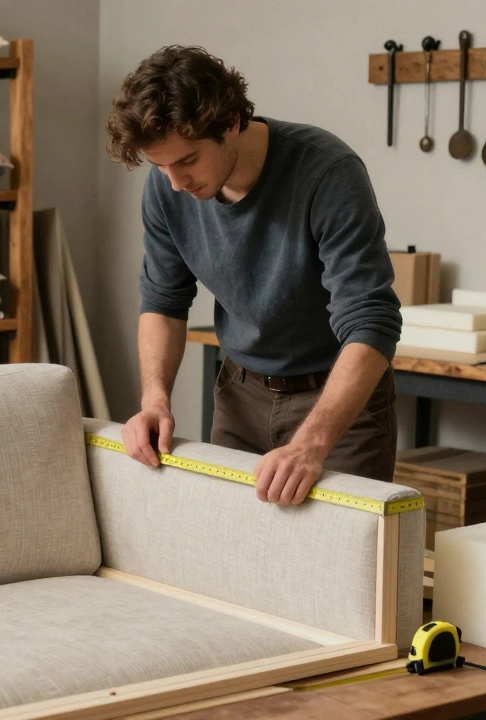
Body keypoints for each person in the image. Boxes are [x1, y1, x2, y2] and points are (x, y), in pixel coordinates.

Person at [105, 45, 402, 504]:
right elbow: (163, 301)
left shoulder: (328, 173)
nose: (176, 183)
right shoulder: (168, 189)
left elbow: (371, 321)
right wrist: (155, 401)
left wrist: (310, 444)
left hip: (337, 401)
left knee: (340, 565)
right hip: (240, 393)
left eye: (186, 160)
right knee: (236, 558)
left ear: (230, 123)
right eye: (160, 166)